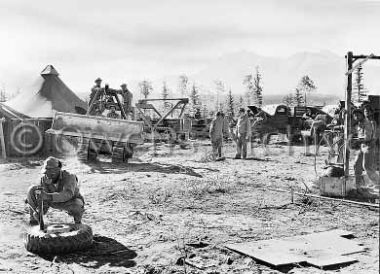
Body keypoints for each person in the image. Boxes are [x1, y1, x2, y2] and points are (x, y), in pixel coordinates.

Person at [26, 157, 85, 225]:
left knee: (78, 204)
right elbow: (44, 200)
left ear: (59, 171)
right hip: (52, 202)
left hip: (70, 202)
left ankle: (78, 223)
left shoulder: (70, 177)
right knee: (32, 189)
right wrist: (39, 211)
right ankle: (34, 222)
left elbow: (67, 194)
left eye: (52, 174)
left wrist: (48, 196)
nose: (49, 176)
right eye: (47, 173)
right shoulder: (44, 179)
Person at [352, 109, 379, 194]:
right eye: (355, 115)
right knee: (356, 165)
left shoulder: (367, 123)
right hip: (362, 145)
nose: (356, 117)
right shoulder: (359, 124)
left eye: (358, 115)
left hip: (369, 146)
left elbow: (367, 137)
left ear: (362, 115)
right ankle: (358, 185)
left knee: (367, 166)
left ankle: (378, 183)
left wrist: (356, 140)